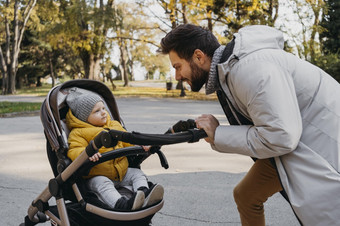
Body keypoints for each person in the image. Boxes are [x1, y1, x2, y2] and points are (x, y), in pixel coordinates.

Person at [160, 24, 340, 225]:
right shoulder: (231, 71)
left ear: (199, 56)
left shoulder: (249, 69)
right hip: (298, 145)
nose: (176, 76)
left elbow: (281, 136)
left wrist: (218, 134)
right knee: (246, 195)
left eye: (177, 67)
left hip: (325, 149)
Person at [65, 88, 164, 211]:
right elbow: (73, 150)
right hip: (97, 175)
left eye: (103, 108)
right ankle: (121, 204)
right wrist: (86, 153)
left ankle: (144, 193)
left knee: (137, 174)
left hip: (121, 173)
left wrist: (140, 145)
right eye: (96, 111)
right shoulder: (79, 133)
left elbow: (127, 140)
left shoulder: (114, 125)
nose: (103, 113)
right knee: (102, 184)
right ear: (84, 118)